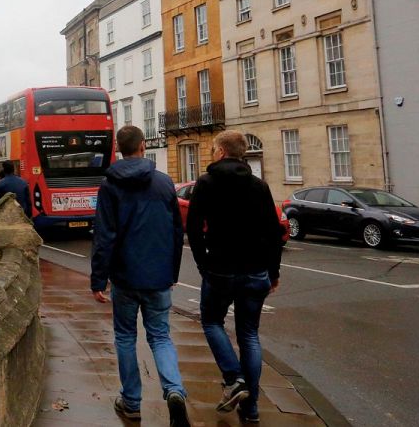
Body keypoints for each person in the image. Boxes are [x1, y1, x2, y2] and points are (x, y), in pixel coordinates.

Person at [91, 125, 190, 427]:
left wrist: (98, 279)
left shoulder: (110, 186)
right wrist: (172, 271)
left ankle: (131, 401)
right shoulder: (163, 183)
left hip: (125, 277)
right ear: (143, 146)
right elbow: (176, 232)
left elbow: (104, 236)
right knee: (161, 336)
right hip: (158, 277)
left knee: (125, 336)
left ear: (119, 149)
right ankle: (174, 391)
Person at [186, 130, 282, 424]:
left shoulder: (206, 183)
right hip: (255, 270)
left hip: (220, 269)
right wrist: (273, 272)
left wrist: (204, 264)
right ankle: (250, 409)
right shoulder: (259, 186)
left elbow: (192, 227)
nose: (213, 153)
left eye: (214, 149)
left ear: (222, 152)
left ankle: (233, 377)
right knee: (249, 335)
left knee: (212, 321)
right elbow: (273, 232)